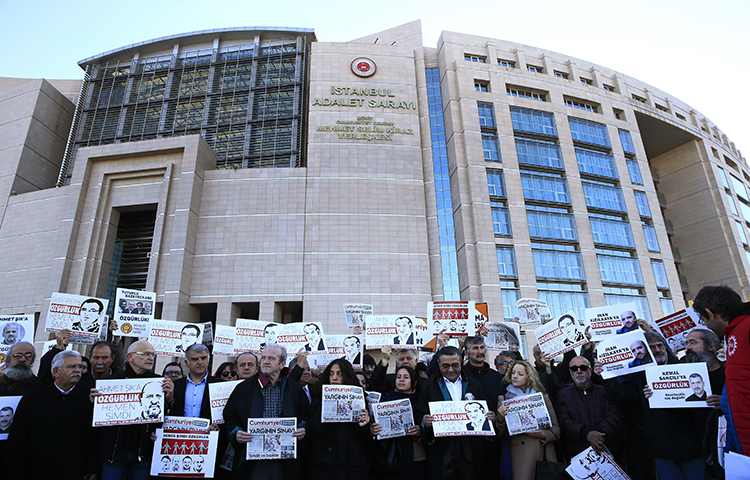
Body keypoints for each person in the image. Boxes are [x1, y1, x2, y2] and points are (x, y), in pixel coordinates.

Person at [598, 330, 704, 480]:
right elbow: (625, 396)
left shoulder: (685, 368)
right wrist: (606, 375)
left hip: (692, 446)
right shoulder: (639, 373)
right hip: (661, 449)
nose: (658, 350)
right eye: (652, 347)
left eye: (660, 345)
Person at [5, 351, 98, 480]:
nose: (78, 370)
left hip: (75, 471)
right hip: (38, 470)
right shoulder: (32, 399)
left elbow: (94, 439)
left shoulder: (89, 400)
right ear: (56, 372)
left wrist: (92, 468)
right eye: (72, 366)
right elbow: (18, 439)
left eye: (80, 367)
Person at [91, 340, 174, 480]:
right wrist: (95, 403)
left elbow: (166, 418)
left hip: (143, 455)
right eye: (146, 354)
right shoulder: (110, 382)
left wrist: (169, 399)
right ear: (130, 357)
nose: (150, 358)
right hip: (114, 456)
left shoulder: (160, 383)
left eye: (152, 355)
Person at [224, 343, 308, 479]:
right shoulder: (243, 388)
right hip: (252, 461)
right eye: (263, 358)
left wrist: (302, 429)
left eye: (271, 358)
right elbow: (230, 416)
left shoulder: (294, 389)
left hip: (286, 461)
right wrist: (236, 433)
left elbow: (306, 416)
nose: (266, 361)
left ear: (282, 364)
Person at [416, 346, 495, 480]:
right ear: (439, 364)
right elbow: (420, 414)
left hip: (470, 452)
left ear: (462, 362)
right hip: (442, 452)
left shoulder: (475, 385)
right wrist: (425, 423)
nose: (451, 370)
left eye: (455, 365)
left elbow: (487, 410)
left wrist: (490, 417)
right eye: (445, 366)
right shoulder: (429, 387)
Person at [692, 284, 750, 457]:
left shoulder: (746, 328)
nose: (706, 325)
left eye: (703, 319)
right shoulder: (735, 332)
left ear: (710, 314)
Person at [307, 358, 371, 480]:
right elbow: (314, 429)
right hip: (325, 465)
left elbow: (365, 438)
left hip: (352, 465)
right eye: (331, 374)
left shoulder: (359, 397)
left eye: (339, 374)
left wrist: (364, 423)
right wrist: (326, 402)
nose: (334, 378)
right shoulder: (318, 396)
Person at [496, 360, 560, 480]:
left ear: (529, 377)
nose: (515, 376)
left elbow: (556, 430)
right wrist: (500, 419)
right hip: (519, 456)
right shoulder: (504, 399)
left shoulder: (542, 397)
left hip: (543, 453)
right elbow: (500, 435)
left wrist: (543, 434)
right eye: (513, 373)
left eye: (520, 374)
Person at [555, 356, 624, 462]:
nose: (579, 371)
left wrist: (600, 434)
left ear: (590, 370)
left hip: (608, 449)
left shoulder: (604, 391)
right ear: (570, 372)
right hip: (577, 454)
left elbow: (615, 415)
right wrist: (586, 434)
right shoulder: (563, 395)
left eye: (583, 367)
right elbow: (564, 421)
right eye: (574, 369)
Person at [370, 365, 425, 480]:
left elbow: (427, 425)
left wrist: (421, 430)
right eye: (398, 377)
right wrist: (373, 429)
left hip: (416, 456)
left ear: (414, 382)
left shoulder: (421, 400)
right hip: (392, 456)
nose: (401, 380)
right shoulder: (385, 399)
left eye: (406, 377)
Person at [169, 343, 220, 419]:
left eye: (203, 358)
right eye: (194, 359)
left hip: (209, 430)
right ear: (187, 363)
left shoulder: (219, 385)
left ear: (208, 360)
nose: (200, 362)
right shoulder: (175, 386)